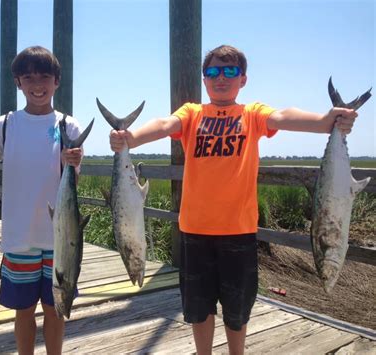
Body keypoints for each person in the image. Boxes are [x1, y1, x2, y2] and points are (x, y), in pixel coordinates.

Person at [109, 45, 357, 355]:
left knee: (237, 310)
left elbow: (282, 116)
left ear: (243, 79)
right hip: (195, 231)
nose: (220, 78)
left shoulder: (252, 114)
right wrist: (131, 138)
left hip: (238, 231)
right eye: (212, 72)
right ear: (204, 78)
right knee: (199, 308)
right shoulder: (192, 112)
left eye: (229, 72)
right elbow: (163, 125)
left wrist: (324, 122)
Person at [0, 45, 83, 354]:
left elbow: (73, 182)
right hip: (19, 236)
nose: (37, 85)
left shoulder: (68, 126)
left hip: (61, 239)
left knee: (56, 308)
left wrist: (71, 161)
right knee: (23, 311)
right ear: (18, 83)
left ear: (56, 82)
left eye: (44, 77)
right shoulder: (4, 124)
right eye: (28, 77)